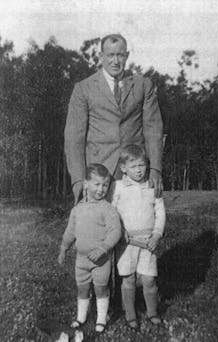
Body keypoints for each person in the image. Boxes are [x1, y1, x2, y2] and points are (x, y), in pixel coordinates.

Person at [64, 33, 164, 204]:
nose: (115, 61)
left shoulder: (143, 85)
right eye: (110, 55)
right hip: (99, 175)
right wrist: (78, 179)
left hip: (135, 172)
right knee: (99, 226)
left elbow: (153, 130)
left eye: (120, 55)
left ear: (127, 56)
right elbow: (74, 138)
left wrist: (155, 168)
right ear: (101, 56)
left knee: (138, 224)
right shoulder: (83, 88)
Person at [58, 164, 121, 333]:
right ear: (86, 184)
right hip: (81, 260)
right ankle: (81, 317)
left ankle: (101, 319)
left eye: (105, 185)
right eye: (97, 184)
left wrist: (103, 248)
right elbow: (70, 231)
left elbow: (116, 231)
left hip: (101, 261)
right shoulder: (77, 209)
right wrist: (64, 247)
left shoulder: (108, 209)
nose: (101, 189)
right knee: (82, 288)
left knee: (101, 288)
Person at [112, 145, 166, 330]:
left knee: (149, 279)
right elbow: (112, 212)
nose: (139, 170)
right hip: (126, 242)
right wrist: (119, 231)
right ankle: (130, 315)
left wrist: (157, 235)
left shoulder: (152, 185)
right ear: (123, 168)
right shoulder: (118, 187)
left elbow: (160, 213)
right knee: (128, 279)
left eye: (142, 165)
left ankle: (152, 312)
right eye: (133, 166)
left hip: (148, 242)